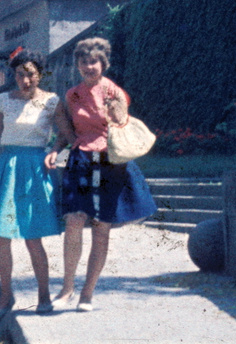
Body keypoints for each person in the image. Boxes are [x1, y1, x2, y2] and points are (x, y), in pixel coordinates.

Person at [46, 37, 155, 312]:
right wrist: (55, 149)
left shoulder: (115, 92)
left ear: (103, 63)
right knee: (73, 221)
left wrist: (115, 111)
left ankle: (87, 294)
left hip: (110, 161)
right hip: (81, 159)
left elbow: (122, 126)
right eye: (83, 61)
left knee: (101, 228)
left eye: (93, 61)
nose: (88, 66)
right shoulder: (72, 95)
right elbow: (68, 129)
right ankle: (66, 289)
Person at [0, 50, 63, 313]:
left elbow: (65, 134)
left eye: (30, 75)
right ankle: (5, 297)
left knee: (32, 238)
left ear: (40, 75)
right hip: (7, 168)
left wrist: (55, 151)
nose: (25, 80)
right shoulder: (2, 101)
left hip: (35, 170)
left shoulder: (51, 102)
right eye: (20, 75)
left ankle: (44, 296)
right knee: (2, 236)